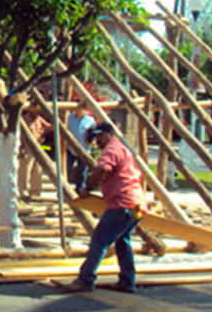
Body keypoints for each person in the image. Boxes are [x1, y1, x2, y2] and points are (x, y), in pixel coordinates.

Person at [62, 122, 144, 293]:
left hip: (123, 204)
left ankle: (85, 279)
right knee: (123, 241)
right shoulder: (123, 149)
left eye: (100, 136)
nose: (97, 140)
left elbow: (102, 169)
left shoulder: (111, 149)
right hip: (137, 205)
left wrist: (88, 188)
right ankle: (128, 281)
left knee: (100, 240)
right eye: (95, 137)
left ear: (109, 134)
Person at [18, 108, 50, 198]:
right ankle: (23, 191)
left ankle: (35, 191)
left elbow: (48, 127)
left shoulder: (39, 119)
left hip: (38, 145)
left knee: (37, 169)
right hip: (27, 146)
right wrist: (20, 148)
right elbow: (20, 134)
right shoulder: (24, 119)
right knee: (25, 169)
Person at [66, 101, 96, 191]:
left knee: (82, 171)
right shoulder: (69, 118)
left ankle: (80, 190)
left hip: (84, 149)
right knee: (66, 169)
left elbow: (93, 133)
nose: (78, 111)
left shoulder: (90, 121)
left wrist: (92, 141)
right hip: (70, 148)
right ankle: (64, 188)